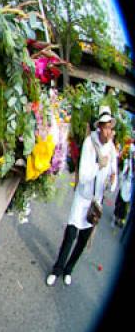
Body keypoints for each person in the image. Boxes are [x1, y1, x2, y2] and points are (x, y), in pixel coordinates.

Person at [47, 106, 118, 287]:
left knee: (84, 238)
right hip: (83, 197)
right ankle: (57, 269)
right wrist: (98, 165)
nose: (109, 131)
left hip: (96, 202)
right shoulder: (89, 143)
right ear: (99, 127)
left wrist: (112, 181)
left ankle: (69, 269)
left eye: (111, 127)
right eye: (106, 127)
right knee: (71, 233)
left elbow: (114, 174)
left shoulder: (111, 149)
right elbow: (85, 175)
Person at [114, 139, 133, 229]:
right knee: (122, 199)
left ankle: (122, 218)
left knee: (127, 201)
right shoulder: (129, 147)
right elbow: (124, 158)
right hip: (126, 179)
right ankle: (118, 216)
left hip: (131, 182)